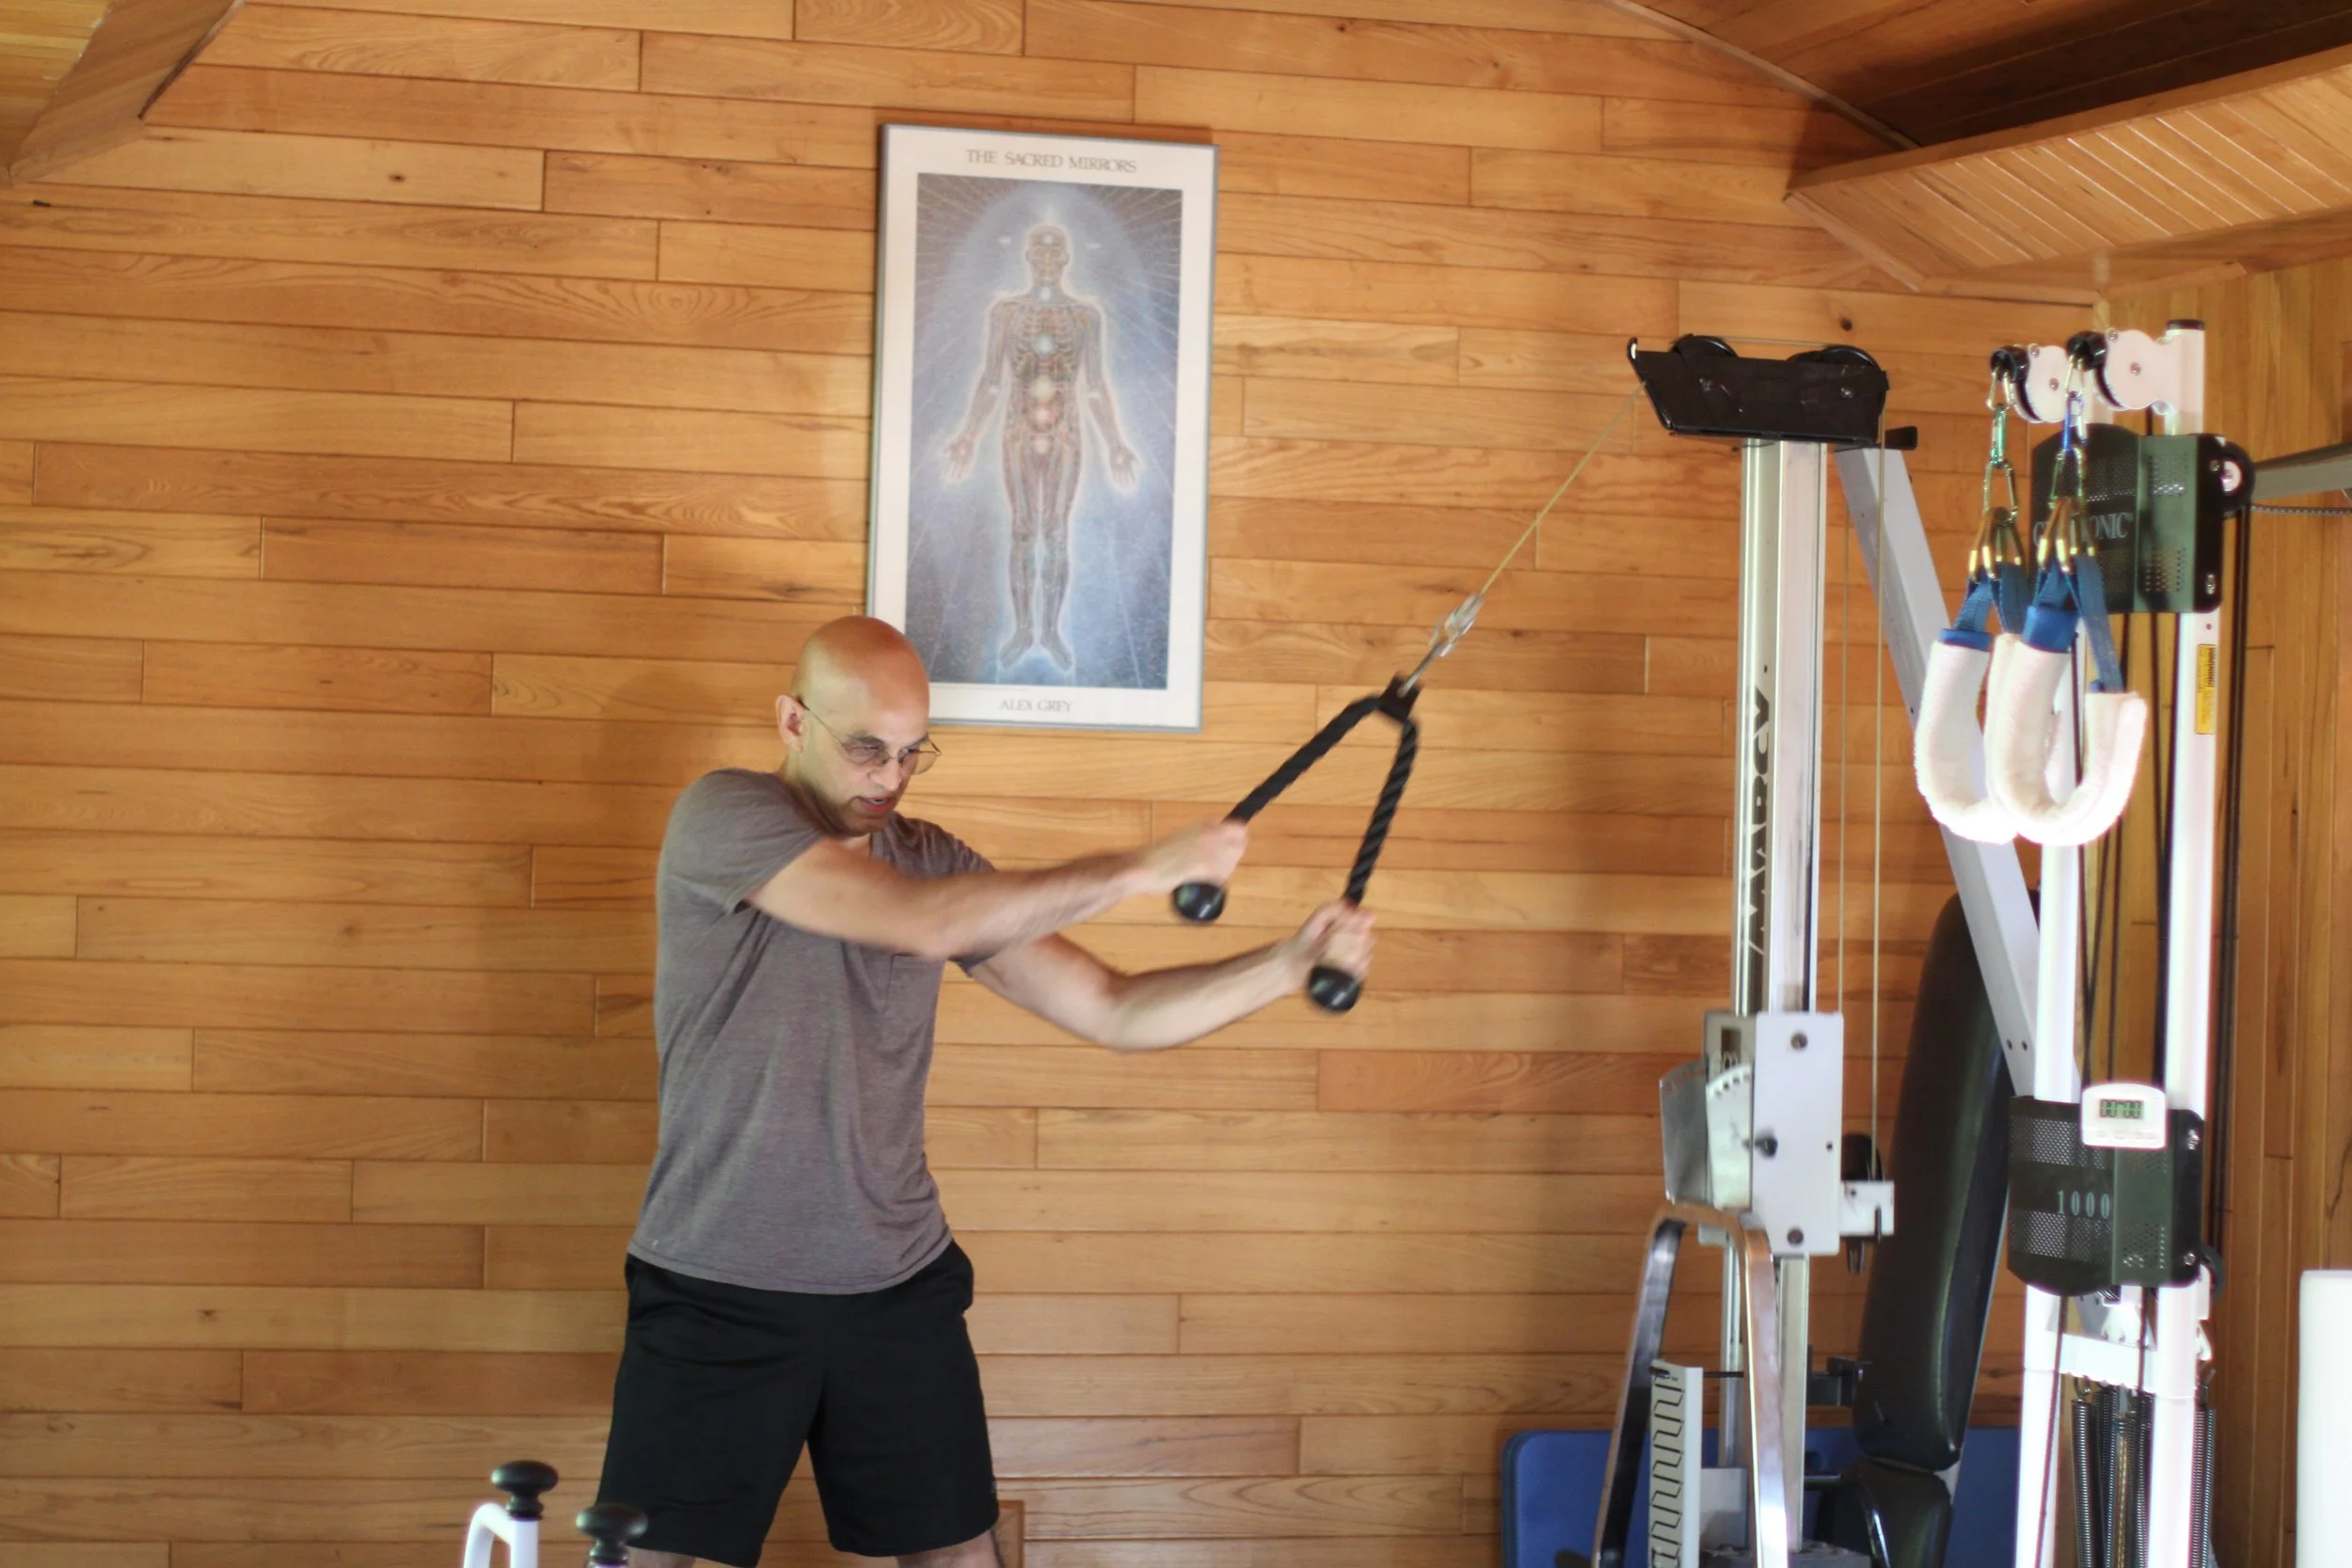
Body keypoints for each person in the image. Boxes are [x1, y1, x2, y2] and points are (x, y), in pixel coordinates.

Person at [599, 615, 1374, 1568]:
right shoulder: (725, 814)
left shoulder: (934, 859)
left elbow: (1115, 1008)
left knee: (963, 1555)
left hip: (895, 1285)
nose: (891, 776)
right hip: (718, 1281)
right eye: (866, 747)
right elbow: (909, 923)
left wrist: (1285, 965)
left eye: (913, 751)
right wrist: (1139, 868)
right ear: (792, 719)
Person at [940, 222, 1137, 673]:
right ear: (1028, 257)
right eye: (1039, 251)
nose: (1048, 259)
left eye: (1056, 252)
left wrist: (1116, 444)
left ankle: (1050, 631)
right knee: (1024, 528)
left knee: (1057, 530)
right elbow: (991, 382)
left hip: (1066, 431)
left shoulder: (1086, 316)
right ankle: (1024, 629)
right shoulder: (1006, 314)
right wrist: (968, 435)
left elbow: (1094, 386)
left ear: (1066, 259)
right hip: (1017, 430)